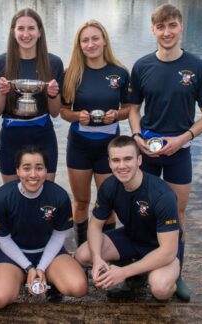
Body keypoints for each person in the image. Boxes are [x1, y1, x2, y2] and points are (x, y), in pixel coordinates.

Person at [127, 4, 202, 301]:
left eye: (172, 26)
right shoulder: (141, 66)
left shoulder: (198, 68)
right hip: (148, 151)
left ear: (181, 28)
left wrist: (184, 137)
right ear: (153, 30)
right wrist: (137, 136)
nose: (167, 32)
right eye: (161, 27)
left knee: (177, 212)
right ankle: (137, 273)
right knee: (143, 212)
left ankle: (176, 273)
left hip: (180, 150)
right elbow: (133, 109)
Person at [74, 136, 181, 301]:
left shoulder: (162, 195)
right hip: (132, 237)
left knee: (161, 288)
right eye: (116, 160)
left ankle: (173, 279)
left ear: (139, 160)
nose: (121, 166)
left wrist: (123, 273)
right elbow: (95, 226)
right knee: (83, 254)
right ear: (109, 163)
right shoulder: (109, 186)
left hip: (159, 247)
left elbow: (168, 251)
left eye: (128, 159)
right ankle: (135, 273)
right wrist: (97, 260)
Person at [0, 146, 88, 310]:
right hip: (13, 254)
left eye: (39, 168)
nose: (33, 174)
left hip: (49, 252)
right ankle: (18, 278)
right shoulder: (2, 198)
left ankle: (49, 277)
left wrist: (40, 267)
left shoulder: (59, 196)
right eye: (26, 168)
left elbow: (58, 236)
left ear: (46, 170)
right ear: (17, 170)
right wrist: (28, 267)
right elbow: (3, 239)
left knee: (79, 288)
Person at [60, 19, 130, 247]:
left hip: (110, 147)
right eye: (85, 40)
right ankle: (82, 254)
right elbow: (63, 111)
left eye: (95, 38)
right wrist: (76, 116)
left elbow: (130, 109)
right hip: (80, 146)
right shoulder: (71, 73)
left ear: (104, 41)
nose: (90, 44)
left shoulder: (119, 73)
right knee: (81, 202)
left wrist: (117, 115)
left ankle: (106, 254)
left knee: (107, 203)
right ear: (79, 45)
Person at [0, 8, 63, 183]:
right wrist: (1, 91)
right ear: (13, 32)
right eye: (20, 28)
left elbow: (55, 113)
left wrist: (53, 94)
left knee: (45, 193)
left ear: (39, 32)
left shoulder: (54, 63)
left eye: (31, 28)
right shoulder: (0, 63)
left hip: (43, 135)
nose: (26, 34)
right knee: (11, 195)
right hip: (11, 137)